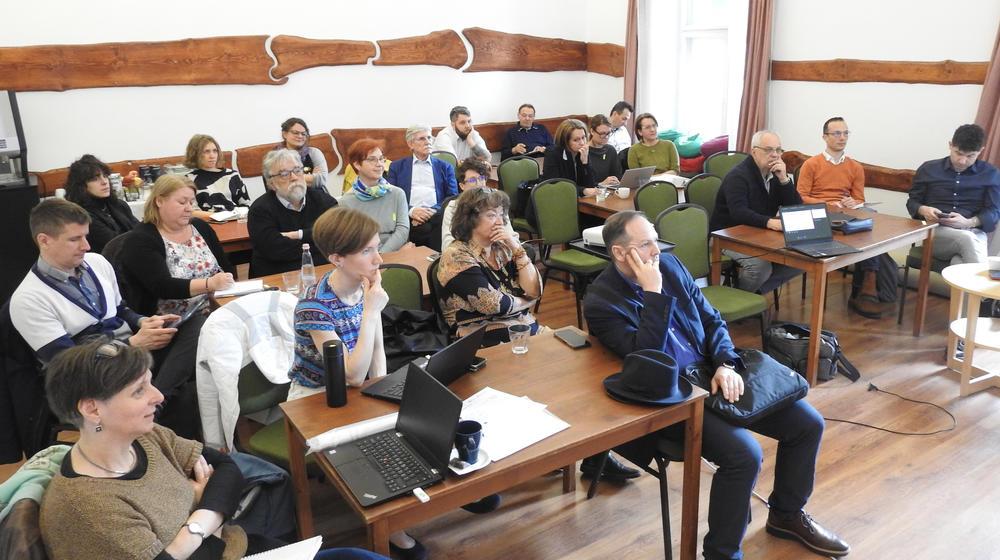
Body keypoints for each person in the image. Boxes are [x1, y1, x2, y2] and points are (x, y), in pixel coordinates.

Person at [583, 211, 850, 560]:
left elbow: (711, 319)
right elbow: (645, 357)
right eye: (646, 244)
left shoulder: (672, 266)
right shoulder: (601, 301)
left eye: (655, 238)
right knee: (744, 455)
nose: (656, 250)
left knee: (807, 424)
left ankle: (786, 515)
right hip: (674, 393)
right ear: (620, 253)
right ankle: (722, 554)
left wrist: (725, 362)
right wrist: (653, 294)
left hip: (712, 370)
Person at [39, 340, 386, 560]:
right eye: (138, 391)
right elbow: (223, 488)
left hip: (238, 544)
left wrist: (190, 529)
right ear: (92, 409)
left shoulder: (144, 436)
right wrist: (208, 513)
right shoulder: (90, 509)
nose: (158, 397)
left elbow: (229, 468)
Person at [9, 199, 201, 439]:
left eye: (86, 236)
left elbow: (120, 310)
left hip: (129, 354)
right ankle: (160, 404)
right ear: (44, 240)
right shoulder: (28, 299)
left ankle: (158, 398)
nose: (86, 246)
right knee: (189, 394)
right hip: (89, 375)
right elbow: (66, 363)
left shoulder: (97, 263)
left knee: (199, 324)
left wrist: (143, 321)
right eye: (74, 239)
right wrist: (131, 345)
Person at [797, 117, 895, 318]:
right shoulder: (811, 164)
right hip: (820, 213)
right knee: (864, 227)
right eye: (836, 133)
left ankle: (869, 277)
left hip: (846, 213)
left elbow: (859, 198)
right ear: (825, 137)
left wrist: (853, 202)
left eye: (845, 133)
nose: (842, 138)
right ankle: (868, 282)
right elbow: (801, 197)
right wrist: (829, 205)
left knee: (870, 218)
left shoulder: (855, 167)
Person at [437, 187, 542, 347]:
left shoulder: (503, 247)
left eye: (501, 215)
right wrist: (528, 301)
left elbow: (535, 290)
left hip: (519, 327)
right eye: (492, 215)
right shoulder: (456, 255)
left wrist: (517, 249)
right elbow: (494, 305)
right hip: (478, 337)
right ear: (470, 218)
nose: (500, 222)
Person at [119, 174, 235, 318]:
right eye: (182, 202)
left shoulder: (200, 227)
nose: (189, 208)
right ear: (159, 201)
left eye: (191, 202)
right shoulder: (140, 240)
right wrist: (209, 284)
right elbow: (163, 287)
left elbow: (226, 266)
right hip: (173, 322)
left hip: (217, 308)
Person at [711, 130, 802, 293]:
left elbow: (795, 208)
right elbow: (738, 212)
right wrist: (770, 222)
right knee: (760, 267)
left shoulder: (775, 174)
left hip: (758, 234)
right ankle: (739, 299)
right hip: (728, 235)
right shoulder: (738, 176)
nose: (775, 155)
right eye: (769, 150)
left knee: (801, 259)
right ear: (754, 151)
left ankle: (752, 295)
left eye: (778, 150)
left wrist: (784, 180)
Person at [906, 123, 1000, 265]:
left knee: (959, 264)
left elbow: (994, 212)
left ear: (980, 151)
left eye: (970, 156)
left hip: (974, 232)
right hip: (936, 233)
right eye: (958, 153)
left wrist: (969, 222)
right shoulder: (928, 169)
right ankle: (988, 287)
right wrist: (923, 209)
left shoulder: (991, 174)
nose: (962, 161)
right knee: (966, 239)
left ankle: (974, 287)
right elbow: (912, 202)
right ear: (950, 145)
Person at [247, 148, 338, 277]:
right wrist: (318, 241)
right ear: (271, 183)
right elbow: (275, 251)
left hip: (324, 272)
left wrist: (298, 235)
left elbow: (339, 237)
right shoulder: (259, 210)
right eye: (284, 174)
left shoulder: (324, 201)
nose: (294, 177)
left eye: (297, 170)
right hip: (278, 276)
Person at [387, 125, 459, 250]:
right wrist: (411, 211)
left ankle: (436, 262)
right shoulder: (397, 167)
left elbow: (452, 196)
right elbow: (391, 197)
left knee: (433, 226)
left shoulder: (445, 167)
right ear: (410, 144)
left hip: (437, 215)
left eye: (429, 138)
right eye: (422, 139)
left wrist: (432, 211)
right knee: (420, 229)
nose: (428, 142)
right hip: (407, 215)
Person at [337, 139, 411, 253]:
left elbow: (403, 230)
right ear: (357, 164)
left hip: (396, 251)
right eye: (372, 160)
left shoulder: (397, 193)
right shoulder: (346, 201)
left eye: (381, 159)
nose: (379, 164)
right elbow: (352, 240)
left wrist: (382, 254)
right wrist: (373, 256)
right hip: (363, 256)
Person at [64, 154, 139, 253]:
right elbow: (117, 245)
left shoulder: (118, 204)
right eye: (95, 179)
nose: (104, 182)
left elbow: (142, 230)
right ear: (81, 186)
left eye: (105, 176)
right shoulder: (81, 216)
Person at [441, 157, 517, 250]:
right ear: (462, 186)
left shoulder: (496, 203)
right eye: (472, 180)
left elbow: (512, 236)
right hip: (468, 256)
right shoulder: (453, 207)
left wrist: (509, 242)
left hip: (498, 251)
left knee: (527, 250)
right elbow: (447, 245)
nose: (479, 184)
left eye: (481, 178)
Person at [183, 133, 251, 212]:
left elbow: (247, 205)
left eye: (215, 151)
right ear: (195, 154)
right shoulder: (188, 180)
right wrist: (218, 217)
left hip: (236, 218)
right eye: (206, 151)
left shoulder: (233, 175)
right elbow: (192, 212)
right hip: (208, 221)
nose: (212, 156)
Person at [541, 118, 599, 197]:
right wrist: (583, 191)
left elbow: (590, 185)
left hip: (577, 200)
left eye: (583, 137)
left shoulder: (582, 152)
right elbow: (556, 185)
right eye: (576, 140)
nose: (582, 143)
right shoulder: (553, 154)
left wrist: (585, 163)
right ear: (565, 141)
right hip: (554, 200)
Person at [277, 117, 330, 192]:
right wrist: (310, 177)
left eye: (303, 134)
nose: (300, 136)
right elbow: (278, 184)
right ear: (284, 134)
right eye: (295, 133)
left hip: (318, 198)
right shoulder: (275, 158)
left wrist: (289, 178)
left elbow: (321, 180)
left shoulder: (314, 153)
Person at [588, 114, 623, 187]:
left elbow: (618, 175)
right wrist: (600, 184)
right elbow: (582, 183)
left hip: (610, 190)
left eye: (608, 133)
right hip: (592, 192)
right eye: (602, 133)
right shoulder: (584, 151)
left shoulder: (610, 150)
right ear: (592, 131)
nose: (606, 137)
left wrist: (616, 181)